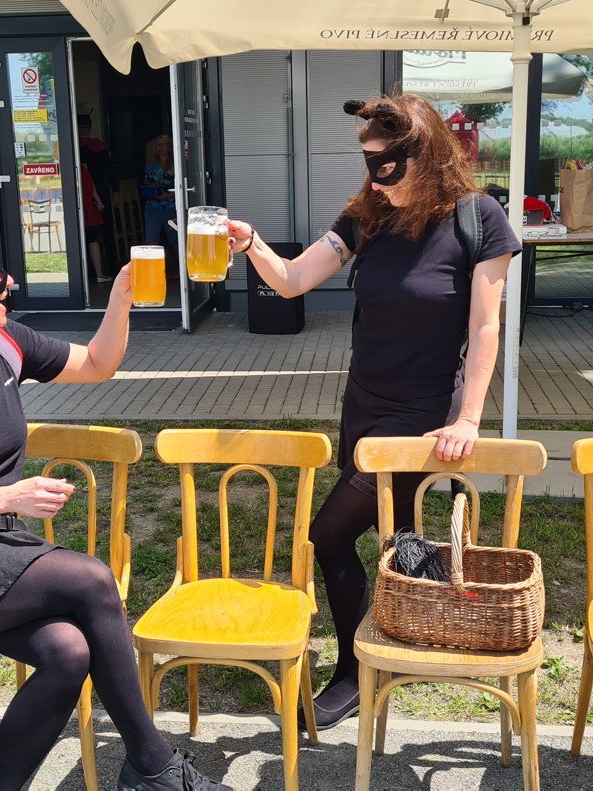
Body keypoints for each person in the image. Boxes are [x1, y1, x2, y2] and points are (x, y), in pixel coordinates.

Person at [0, 204, 230, 791]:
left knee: (68, 651)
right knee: (92, 580)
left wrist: (121, 298)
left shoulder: (3, 342)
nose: (9, 281)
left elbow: (97, 364)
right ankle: (153, 767)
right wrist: (6, 496)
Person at [224, 93, 521, 729]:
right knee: (396, 533)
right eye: (370, 162)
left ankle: (357, 671)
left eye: (389, 162)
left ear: (428, 154)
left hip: (422, 418)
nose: (378, 178)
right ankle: (403, 636)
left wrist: (469, 419)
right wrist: (251, 243)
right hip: (363, 407)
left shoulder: (479, 218)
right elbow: (292, 280)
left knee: (329, 535)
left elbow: (486, 326)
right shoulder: (367, 216)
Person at [78, 112, 120, 274]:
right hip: (82, 192)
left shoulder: (99, 146)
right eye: (80, 127)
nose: (83, 130)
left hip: (101, 191)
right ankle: (90, 270)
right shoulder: (73, 146)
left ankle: (113, 266)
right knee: (87, 231)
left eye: (86, 127)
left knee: (107, 229)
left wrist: (115, 191)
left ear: (90, 129)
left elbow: (110, 171)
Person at [142, 134, 178, 248]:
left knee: (176, 241)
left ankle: (180, 259)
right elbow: (147, 185)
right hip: (153, 207)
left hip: (171, 208)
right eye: (158, 145)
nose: (160, 148)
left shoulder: (176, 166)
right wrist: (152, 187)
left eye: (163, 145)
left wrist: (167, 195)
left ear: (169, 148)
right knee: (151, 241)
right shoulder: (152, 167)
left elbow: (181, 189)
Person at [81, 161, 110, 283]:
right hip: (86, 203)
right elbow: (90, 184)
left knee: (85, 237)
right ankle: (99, 274)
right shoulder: (82, 167)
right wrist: (98, 200)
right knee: (92, 237)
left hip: (78, 202)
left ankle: (82, 275)